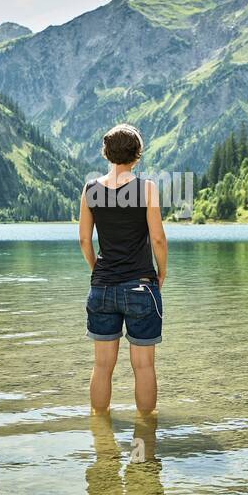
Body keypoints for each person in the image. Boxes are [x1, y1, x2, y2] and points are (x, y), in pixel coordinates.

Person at [78, 123, 167, 415]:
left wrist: (97, 270)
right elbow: (157, 238)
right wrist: (161, 272)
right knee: (144, 366)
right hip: (140, 286)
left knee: (102, 366)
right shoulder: (147, 189)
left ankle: (100, 432)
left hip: (102, 287)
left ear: (106, 153)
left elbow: (83, 239)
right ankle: (146, 432)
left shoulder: (91, 189)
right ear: (137, 155)